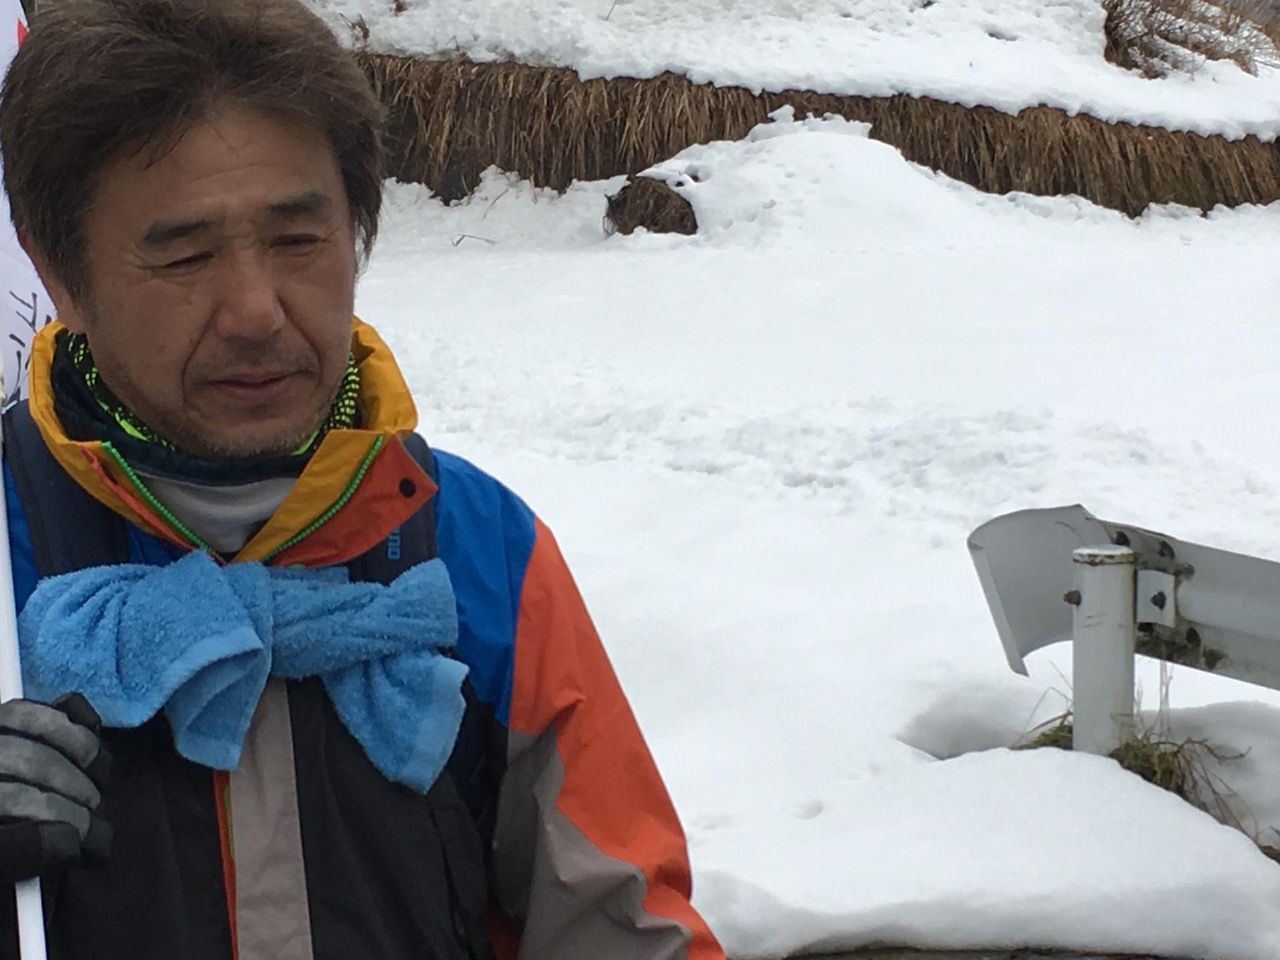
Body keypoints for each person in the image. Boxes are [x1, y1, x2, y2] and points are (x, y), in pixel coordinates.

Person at [0, 1, 726, 958]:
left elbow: (622, 926)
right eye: (185, 254)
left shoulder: (475, 545)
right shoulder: (5, 549)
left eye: (299, 240)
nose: (256, 312)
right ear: (59, 273)